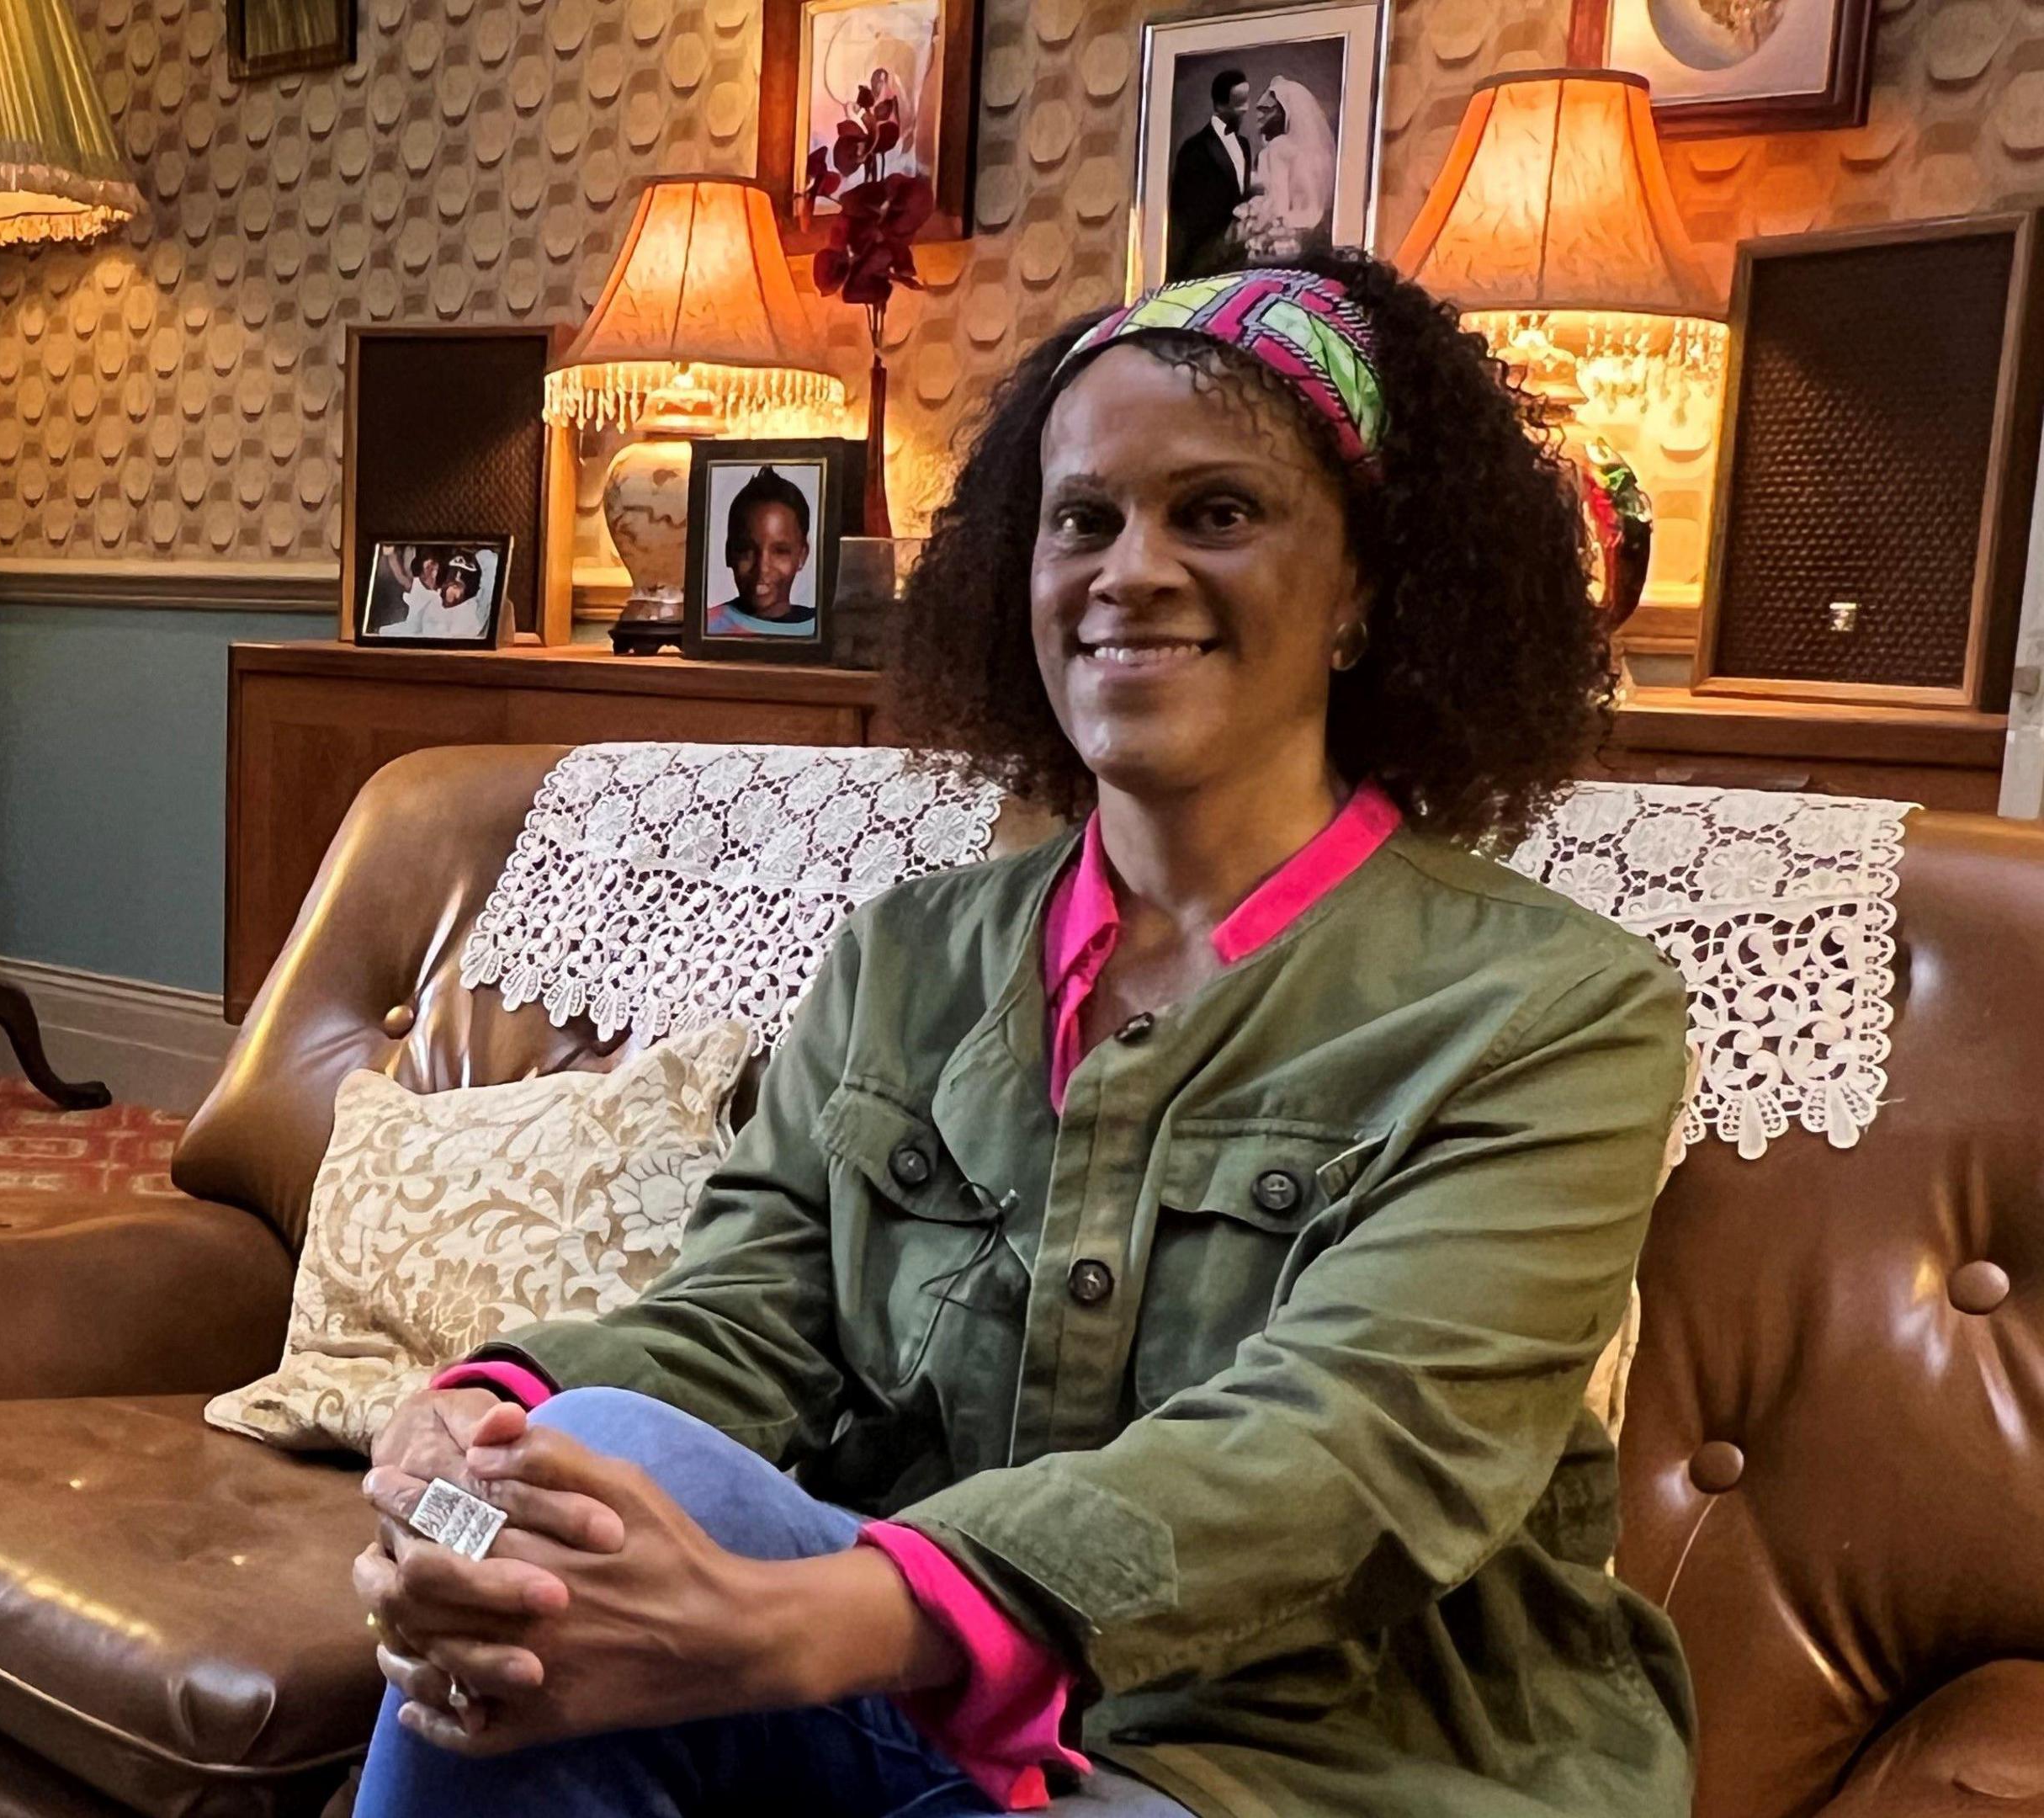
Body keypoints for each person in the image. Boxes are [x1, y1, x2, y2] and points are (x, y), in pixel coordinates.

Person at [349, 255, 1691, 1818]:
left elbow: (1348, 1456)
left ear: (1365, 593)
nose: (1130, 570)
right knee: (553, 1496)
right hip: (913, 1718)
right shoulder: (906, 957)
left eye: (1218, 513)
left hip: (1317, 1770)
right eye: (1084, 519)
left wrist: (810, 1623)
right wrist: (480, 1433)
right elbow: (747, 1316)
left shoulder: (1553, 1011)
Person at [705, 466, 816, 637]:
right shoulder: (709, 626)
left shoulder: (823, 629)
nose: (762, 568)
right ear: (728, 553)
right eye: (746, 551)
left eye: (780, 551)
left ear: (802, 556)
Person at [1164, 70, 1251, 279]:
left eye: (1247, 101)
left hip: (1238, 259)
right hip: (1204, 260)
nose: (1246, 109)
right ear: (1220, 106)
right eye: (1239, 103)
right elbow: (1184, 212)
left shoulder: (1244, 145)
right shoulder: (1194, 149)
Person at [1235, 79, 1335, 260]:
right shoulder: (1308, 153)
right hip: (1305, 236)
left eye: (1268, 110)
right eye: (1261, 109)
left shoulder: (1277, 149)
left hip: (1280, 235)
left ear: (1287, 114)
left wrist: (1259, 224)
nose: (1259, 116)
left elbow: (1279, 204)